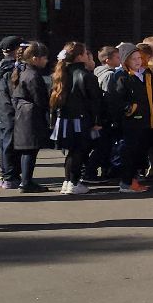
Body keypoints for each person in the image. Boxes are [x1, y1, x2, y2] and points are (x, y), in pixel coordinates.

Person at [50, 43, 103, 195]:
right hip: (81, 120)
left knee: (71, 152)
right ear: (80, 56)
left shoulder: (61, 74)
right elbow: (95, 101)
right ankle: (73, 182)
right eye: (86, 53)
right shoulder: (86, 75)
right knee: (79, 151)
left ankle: (68, 181)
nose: (88, 56)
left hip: (64, 119)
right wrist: (97, 121)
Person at [108, 44, 153, 194]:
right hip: (131, 121)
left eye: (139, 58)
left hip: (145, 119)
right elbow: (116, 99)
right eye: (133, 59)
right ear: (126, 61)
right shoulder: (121, 76)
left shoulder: (145, 74)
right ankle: (126, 183)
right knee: (129, 152)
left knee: (139, 152)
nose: (138, 61)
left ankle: (133, 181)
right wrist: (130, 109)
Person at [5, 42, 52, 192]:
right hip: (31, 117)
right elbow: (40, 98)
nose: (46, 61)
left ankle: (25, 180)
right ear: (35, 58)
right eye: (44, 58)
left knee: (27, 151)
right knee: (30, 151)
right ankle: (26, 182)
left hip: (22, 115)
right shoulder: (33, 75)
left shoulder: (22, 71)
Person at [0, 36, 26, 189]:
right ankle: (10, 177)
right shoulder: (12, 69)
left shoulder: (0, 67)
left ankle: (5, 174)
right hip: (12, 110)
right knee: (10, 143)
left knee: (5, 142)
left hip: (3, 110)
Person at [88, 44, 123, 182]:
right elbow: (109, 97)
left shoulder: (97, 72)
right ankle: (91, 171)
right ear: (107, 60)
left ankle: (102, 170)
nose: (119, 59)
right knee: (103, 146)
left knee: (103, 145)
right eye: (117, 57)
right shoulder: (109, 75)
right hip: (106, 117)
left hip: (101, 116)